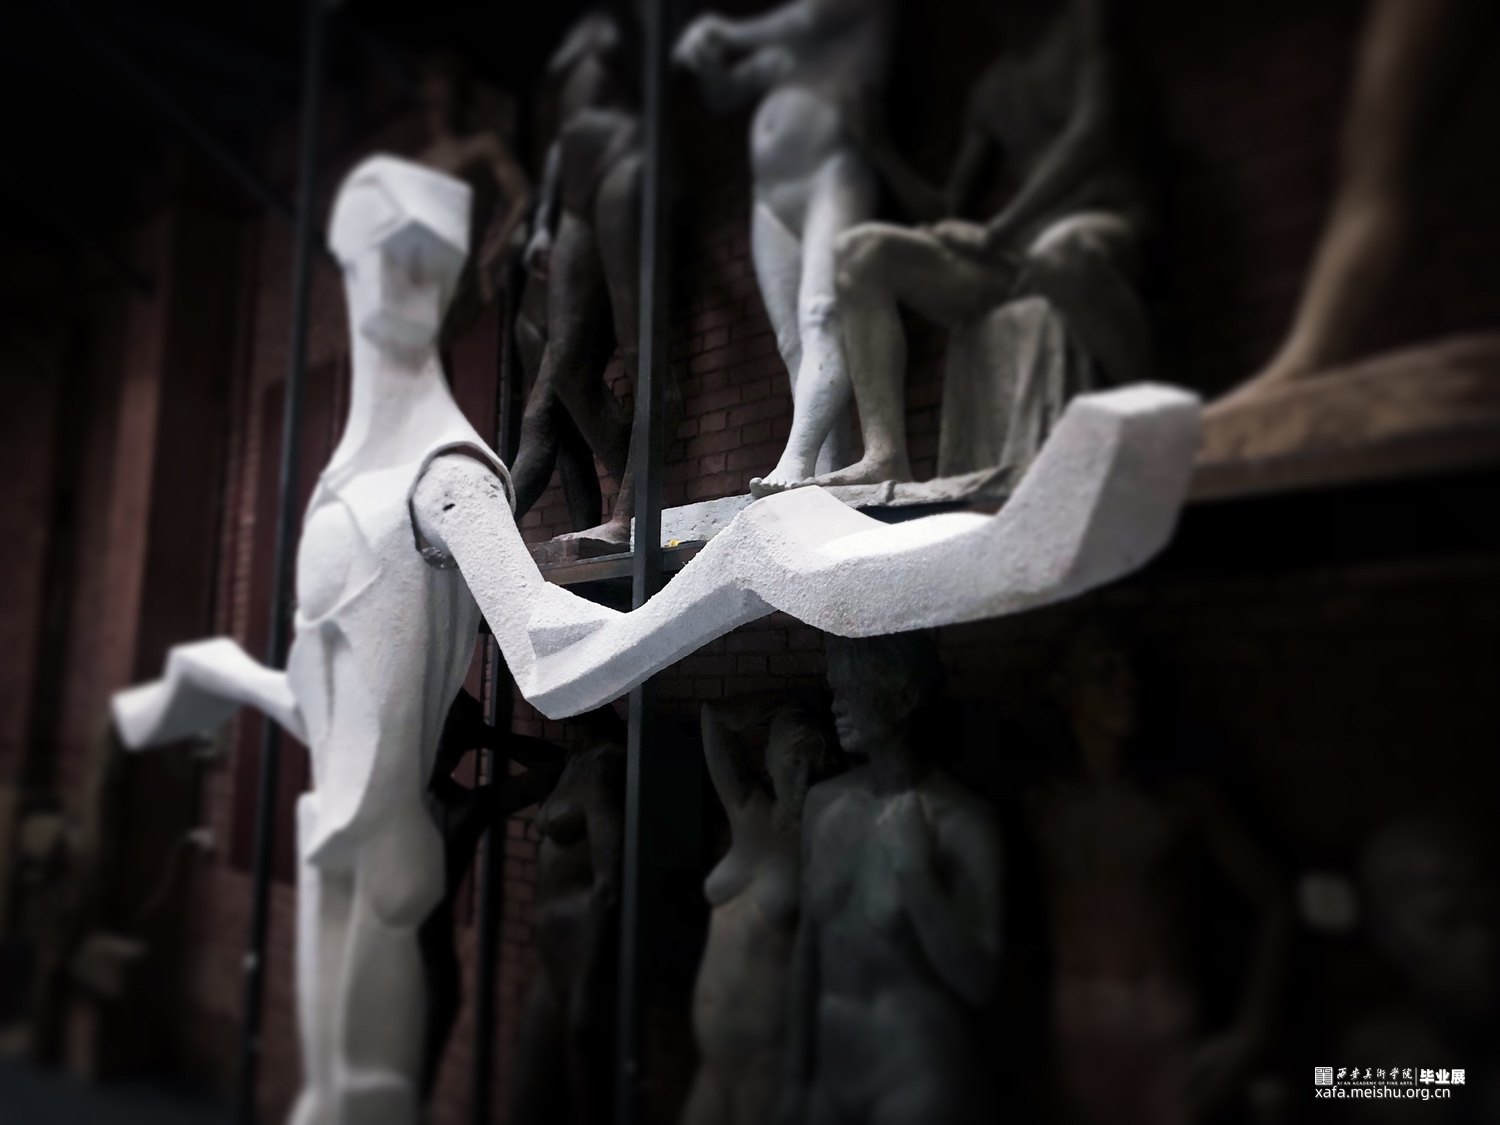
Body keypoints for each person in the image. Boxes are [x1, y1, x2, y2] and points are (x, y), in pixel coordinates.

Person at [765, 0, 1153, 493]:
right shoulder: (994, 89)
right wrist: (880, 149)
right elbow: (946, 204)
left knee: (1059, 255)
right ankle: (884, 456)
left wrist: (998, 231)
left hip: (1100, 223)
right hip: (1017, 253)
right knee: (863, 251)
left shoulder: (1084, 26)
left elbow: (1088, 140)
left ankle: (1153, 415)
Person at [1030, 626, 1289, 1125]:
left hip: (1165, 1036)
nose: (1127, 685)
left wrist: (1252, 1033)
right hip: (1075, 1041)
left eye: (1131, 671)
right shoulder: (1042, 807)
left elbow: (1275, 901)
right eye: (1105, 672)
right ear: (1067, 691)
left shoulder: (1183, 801)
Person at [781, 633, 1002, 1124]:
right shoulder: (824, 805)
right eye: (834, 688)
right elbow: (807, 949)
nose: (836, 703)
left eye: (851, 688)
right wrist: (795, 1079)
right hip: (833, 1079)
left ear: (902, 698)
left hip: (916, 1077)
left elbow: (981, 984)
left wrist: (917, 876)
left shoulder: (962, 822)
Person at [675, 0, 896, 489]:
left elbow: (810, 17)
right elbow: (723, 95)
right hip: (772, 198)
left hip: (831, 177)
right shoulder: (785, 54)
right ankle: (821, 475)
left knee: (822, 314)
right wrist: (707, 60)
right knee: (792, 342)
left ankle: (795, 462)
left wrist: (725, 30)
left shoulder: (855, 18)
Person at [685, 697, 833, 1125]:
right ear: (769, 761)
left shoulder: (823, 837)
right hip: (712, 1065)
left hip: (768, 1068)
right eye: (792, 761)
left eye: (814, 763)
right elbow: (712, 719)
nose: (803, 778)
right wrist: (775, 708)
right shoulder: (749, 814)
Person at [505, 713, 625, 1125]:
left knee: (585, 1096)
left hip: (584, 955)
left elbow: (610, 880)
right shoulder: (577, 758)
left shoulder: (605, 764)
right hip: (552, 958)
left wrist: (590, 978)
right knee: (530, 1096)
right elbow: (535, 756)